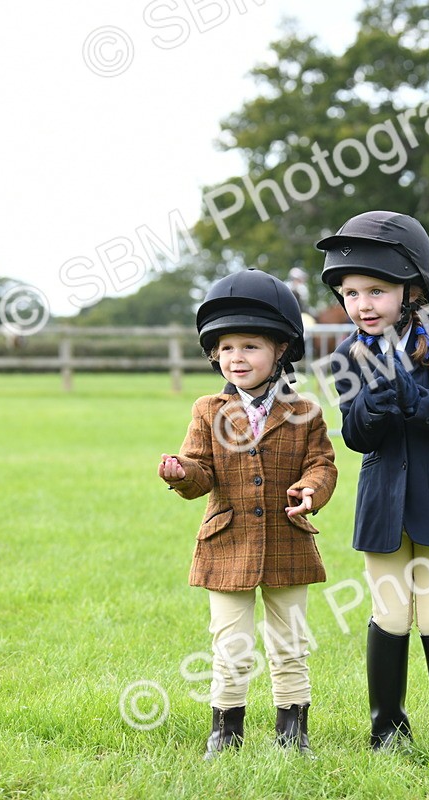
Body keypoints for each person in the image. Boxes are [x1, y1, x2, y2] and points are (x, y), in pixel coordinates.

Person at [316, 210, 429, 748]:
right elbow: (356, 436)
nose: (362, 305)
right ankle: (386, 729)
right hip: (382, 499)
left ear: (410, 288)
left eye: (375, 290)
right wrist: (370, 406)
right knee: (389, 613)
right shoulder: (346, 355)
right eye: (350, 293)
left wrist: (417, 400)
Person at [158, 269, 337, 759]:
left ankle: (292, 733)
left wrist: (310, 490)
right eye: (228, 347)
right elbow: (201, 474)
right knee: (230, 644)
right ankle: (225, 731)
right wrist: (180, 473)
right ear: (214, 353)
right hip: (227, 542)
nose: (237, 358)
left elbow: (322, 463)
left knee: (290, 643)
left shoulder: (305, 411)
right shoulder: (206, 409)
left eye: (251, 347)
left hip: (287, 538)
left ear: (280, 351)